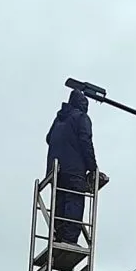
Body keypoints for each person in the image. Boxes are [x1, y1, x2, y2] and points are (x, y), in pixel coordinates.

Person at [45, 89, 101, 249]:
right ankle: (69, 239)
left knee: (60, 200)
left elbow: (48, 138)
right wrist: (93, 168)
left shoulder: (58, 119)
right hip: (74, 168)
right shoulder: (81, 118)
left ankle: (59, 237)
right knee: (74, 199)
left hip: (56, 170)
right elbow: (85, 141)